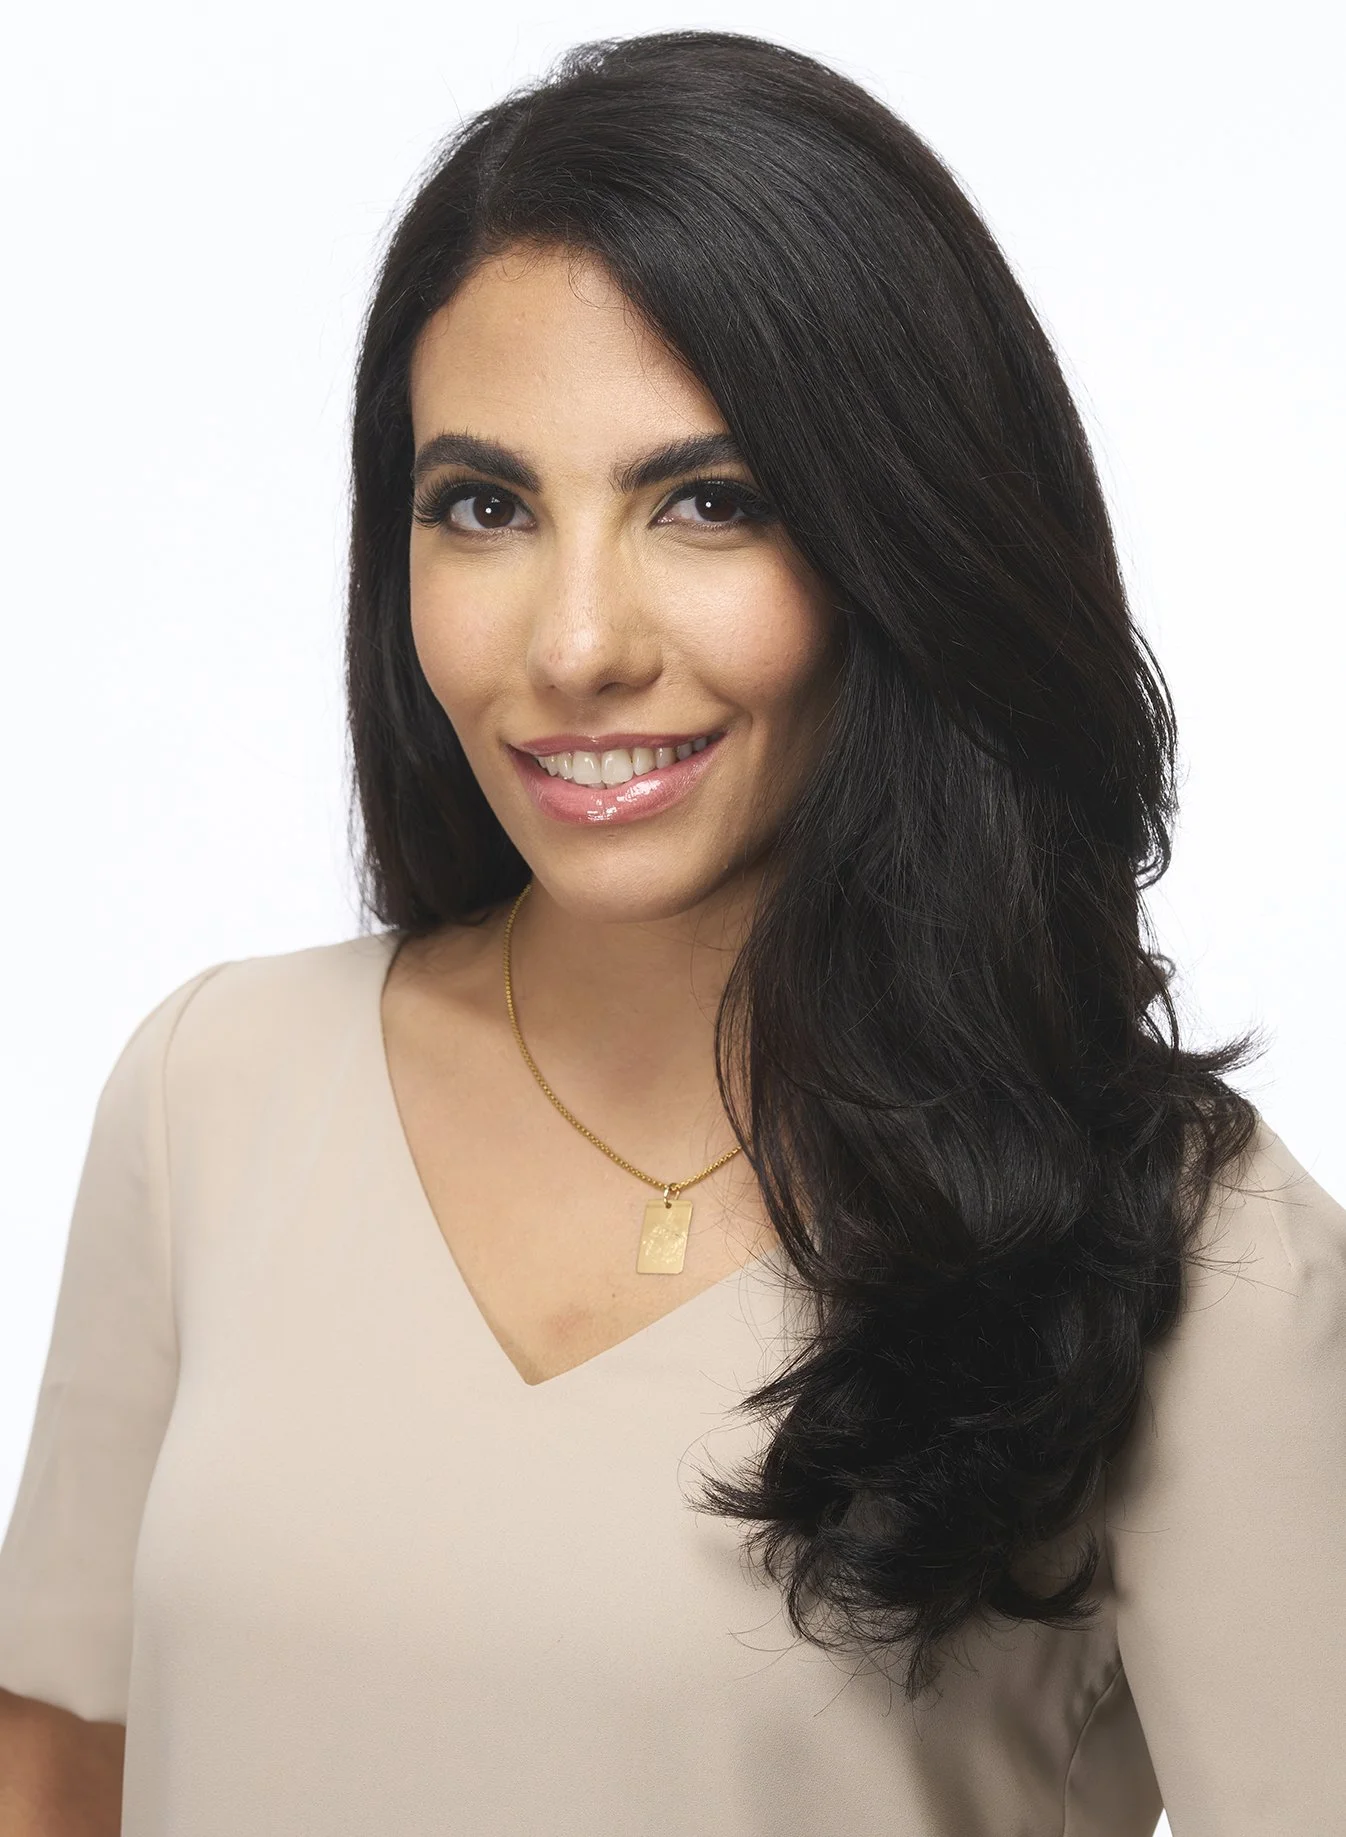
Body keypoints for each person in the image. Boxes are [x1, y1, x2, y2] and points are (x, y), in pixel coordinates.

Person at [1, 27, 1343, 1837]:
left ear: (908, 535)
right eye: (480, 506)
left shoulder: (1192, 1246)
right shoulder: (215, 1088)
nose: (571, 646)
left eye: (706, 503)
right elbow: (56, 1763)